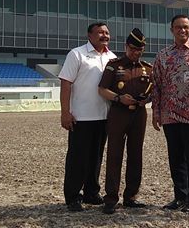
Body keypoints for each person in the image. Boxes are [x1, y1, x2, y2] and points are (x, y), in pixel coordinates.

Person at [58, 22, 117, 212]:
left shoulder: (112, 57)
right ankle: (73, 196)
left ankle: (92, 192)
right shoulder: (77, 54)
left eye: (107, 32)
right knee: (77, 158)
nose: (104, 35)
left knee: (96, 157)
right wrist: (65, 112)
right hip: (81, 117)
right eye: (100, 32)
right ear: (89, 35)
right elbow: (66, 83)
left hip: (104, 116)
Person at [151, 14, 189, 213]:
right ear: (172, 30)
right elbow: (156, 86)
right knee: (175, 158)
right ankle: (180, 196)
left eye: (185, 27)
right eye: (178, 27)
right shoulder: (163, 55)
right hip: (170, 116)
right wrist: (156, 113)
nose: (182, 30)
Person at [98, 28, 152, 214]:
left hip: (139, 115)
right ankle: (111, 198)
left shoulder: (147, 68)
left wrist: (148, 99)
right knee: (114, 155)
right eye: (133, 49)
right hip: (118, 114)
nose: (136, 53)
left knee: (136, 155)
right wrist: (119, 98)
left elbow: (153, 92)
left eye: (140, 50)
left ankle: (131, 196)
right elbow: (102, 89)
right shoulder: (114, 65)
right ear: (126, 47)